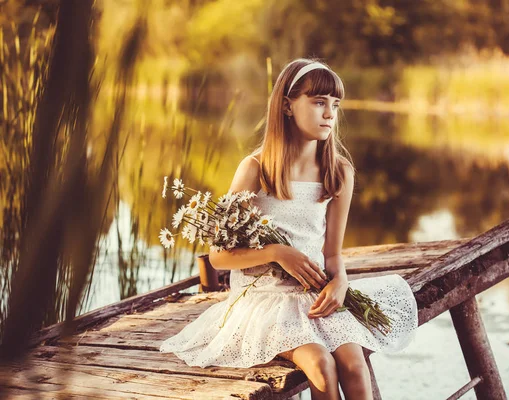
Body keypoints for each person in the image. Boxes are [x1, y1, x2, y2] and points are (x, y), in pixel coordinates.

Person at [160, 58, 418, 400]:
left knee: (355, 366)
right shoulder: (255, 169)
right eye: (318, 102)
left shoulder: (339, 173)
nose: (329, 114)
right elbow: (219, 258)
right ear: (287, 105)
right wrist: (278, 253)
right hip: (262, 300)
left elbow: (332, 255)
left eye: (335, 105)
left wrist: (340, 282)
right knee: (322, 366)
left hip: (313, 296)